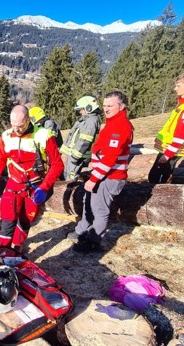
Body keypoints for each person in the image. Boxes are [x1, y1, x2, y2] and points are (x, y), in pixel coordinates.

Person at [0, 105, 64, 252]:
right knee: (7, 221)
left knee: (26, 219)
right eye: (13, 125)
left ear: (29, 120)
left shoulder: (44, 135)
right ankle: (0, 253)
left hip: (35, 186)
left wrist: (44, 187)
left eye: (20, 126)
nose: (16, 129)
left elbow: (58, 165)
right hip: (14, 183)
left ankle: (17, 246)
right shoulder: (6, 136)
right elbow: (0, 161)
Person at [68, 91, 133, 253]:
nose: (106, 109)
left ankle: (93, 242)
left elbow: (110, 158)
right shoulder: (113, 123)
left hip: (110, 177)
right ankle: (85, 232)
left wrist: (94, 178)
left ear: (121, 106)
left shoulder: (121, 126)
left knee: (100, 210)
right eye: (104, 106)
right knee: (90, 204)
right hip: (102, 174)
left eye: (110, 105)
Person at [148, 72, 184, 184]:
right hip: (169, 147)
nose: (175, 89)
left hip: (173, 149)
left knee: (158, 177)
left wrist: (168, 154)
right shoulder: (183, 104)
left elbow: (182, 133)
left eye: (178, 85)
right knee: (156, 175)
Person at [60, 96, 102, 182]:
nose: (80, 112)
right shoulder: (84, 120)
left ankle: (72, 191)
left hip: (79, 154)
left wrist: (75, 155)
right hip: (75, 153)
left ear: (88, 108)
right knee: (69, 172)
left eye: (81, 110)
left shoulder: (91, 121)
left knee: (72, 176)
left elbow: (85, 140)